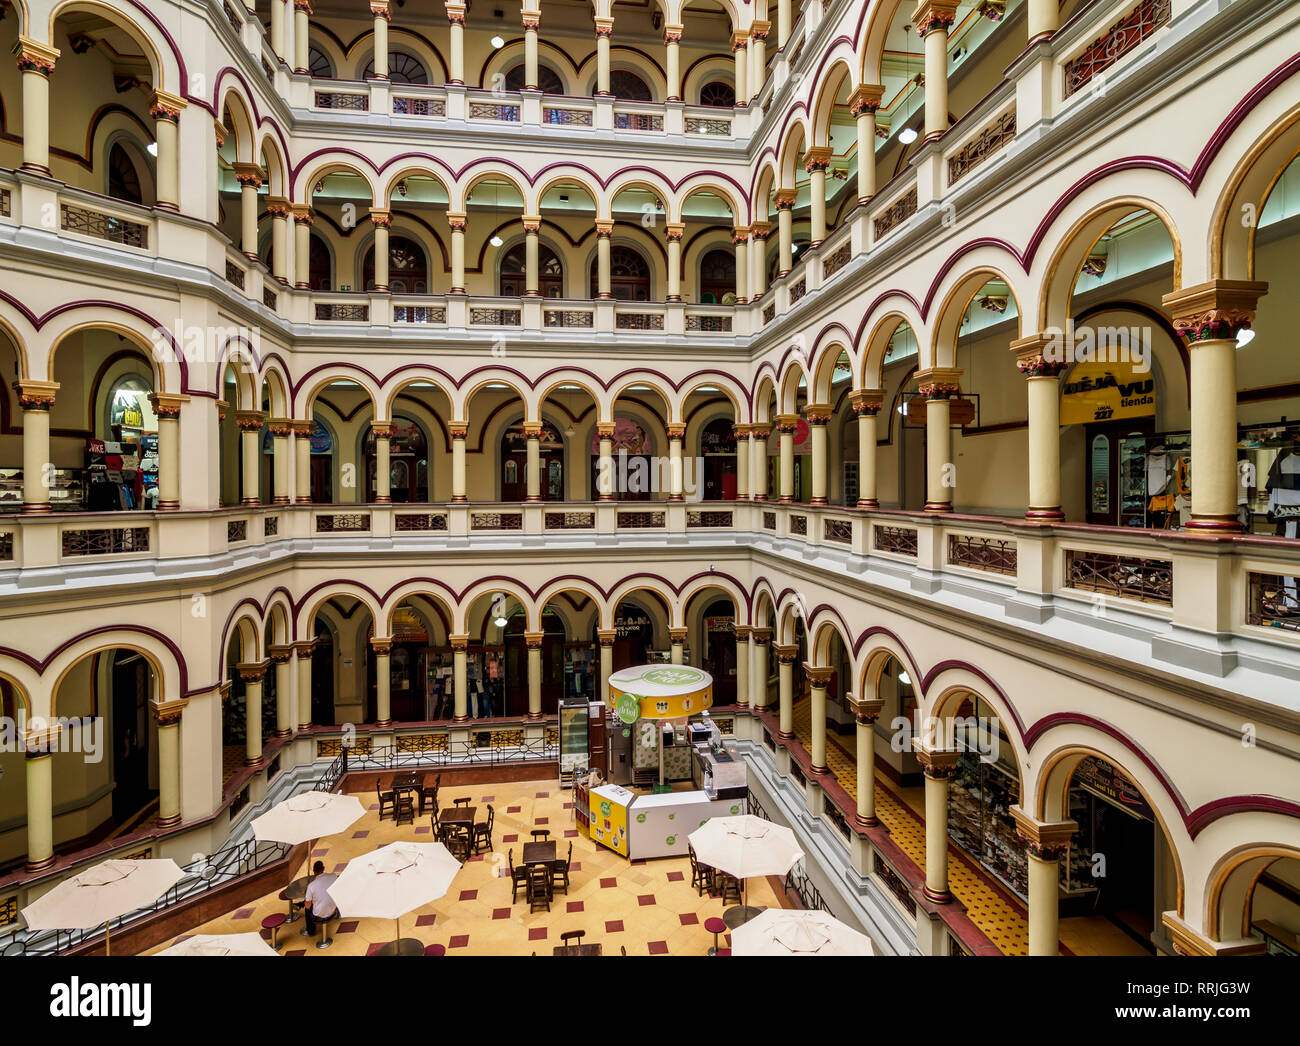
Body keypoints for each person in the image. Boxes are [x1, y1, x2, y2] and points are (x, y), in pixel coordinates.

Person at [302, 860, 338, 937]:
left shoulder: (311, 886)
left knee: (307, 908)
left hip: (320, 915)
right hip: (333, 909)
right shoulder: (333, 876)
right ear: (323, 868)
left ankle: (311, 931)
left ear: (314, 872)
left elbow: (308, 906)